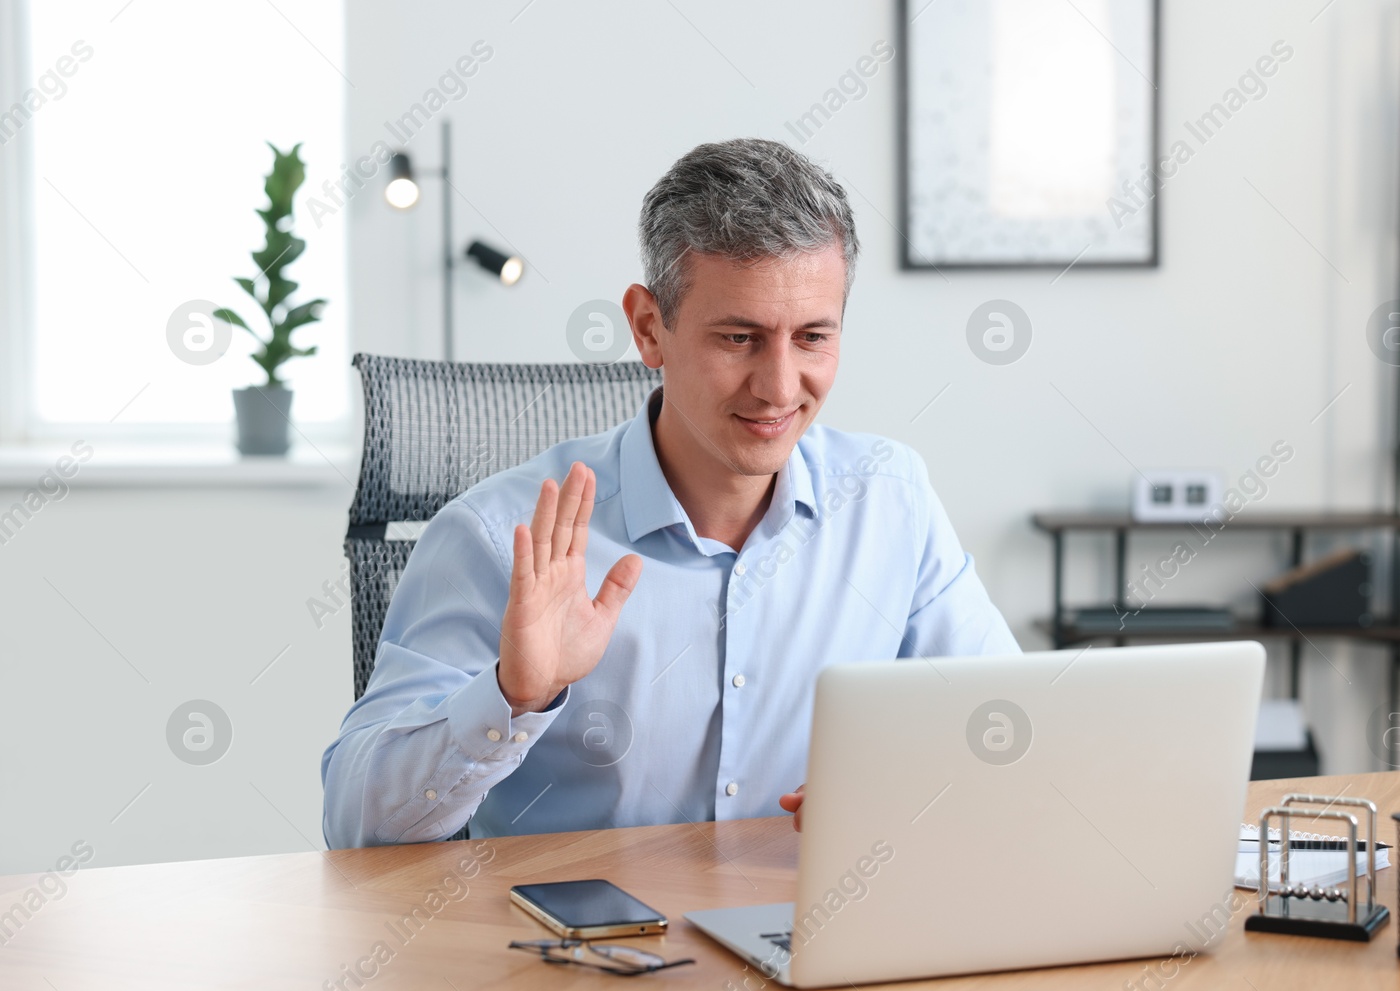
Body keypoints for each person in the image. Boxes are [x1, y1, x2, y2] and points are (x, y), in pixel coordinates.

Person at [321, 138, 1018, 849]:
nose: (780, 387)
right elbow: (356, 828)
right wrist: (511, 696)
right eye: (739, 337)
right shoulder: (498, 535)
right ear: (650, 328)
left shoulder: (889, 502)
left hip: (808, 935)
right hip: (576, 954)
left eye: (812, 337)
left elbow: (1009, 733)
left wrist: (908, 782)